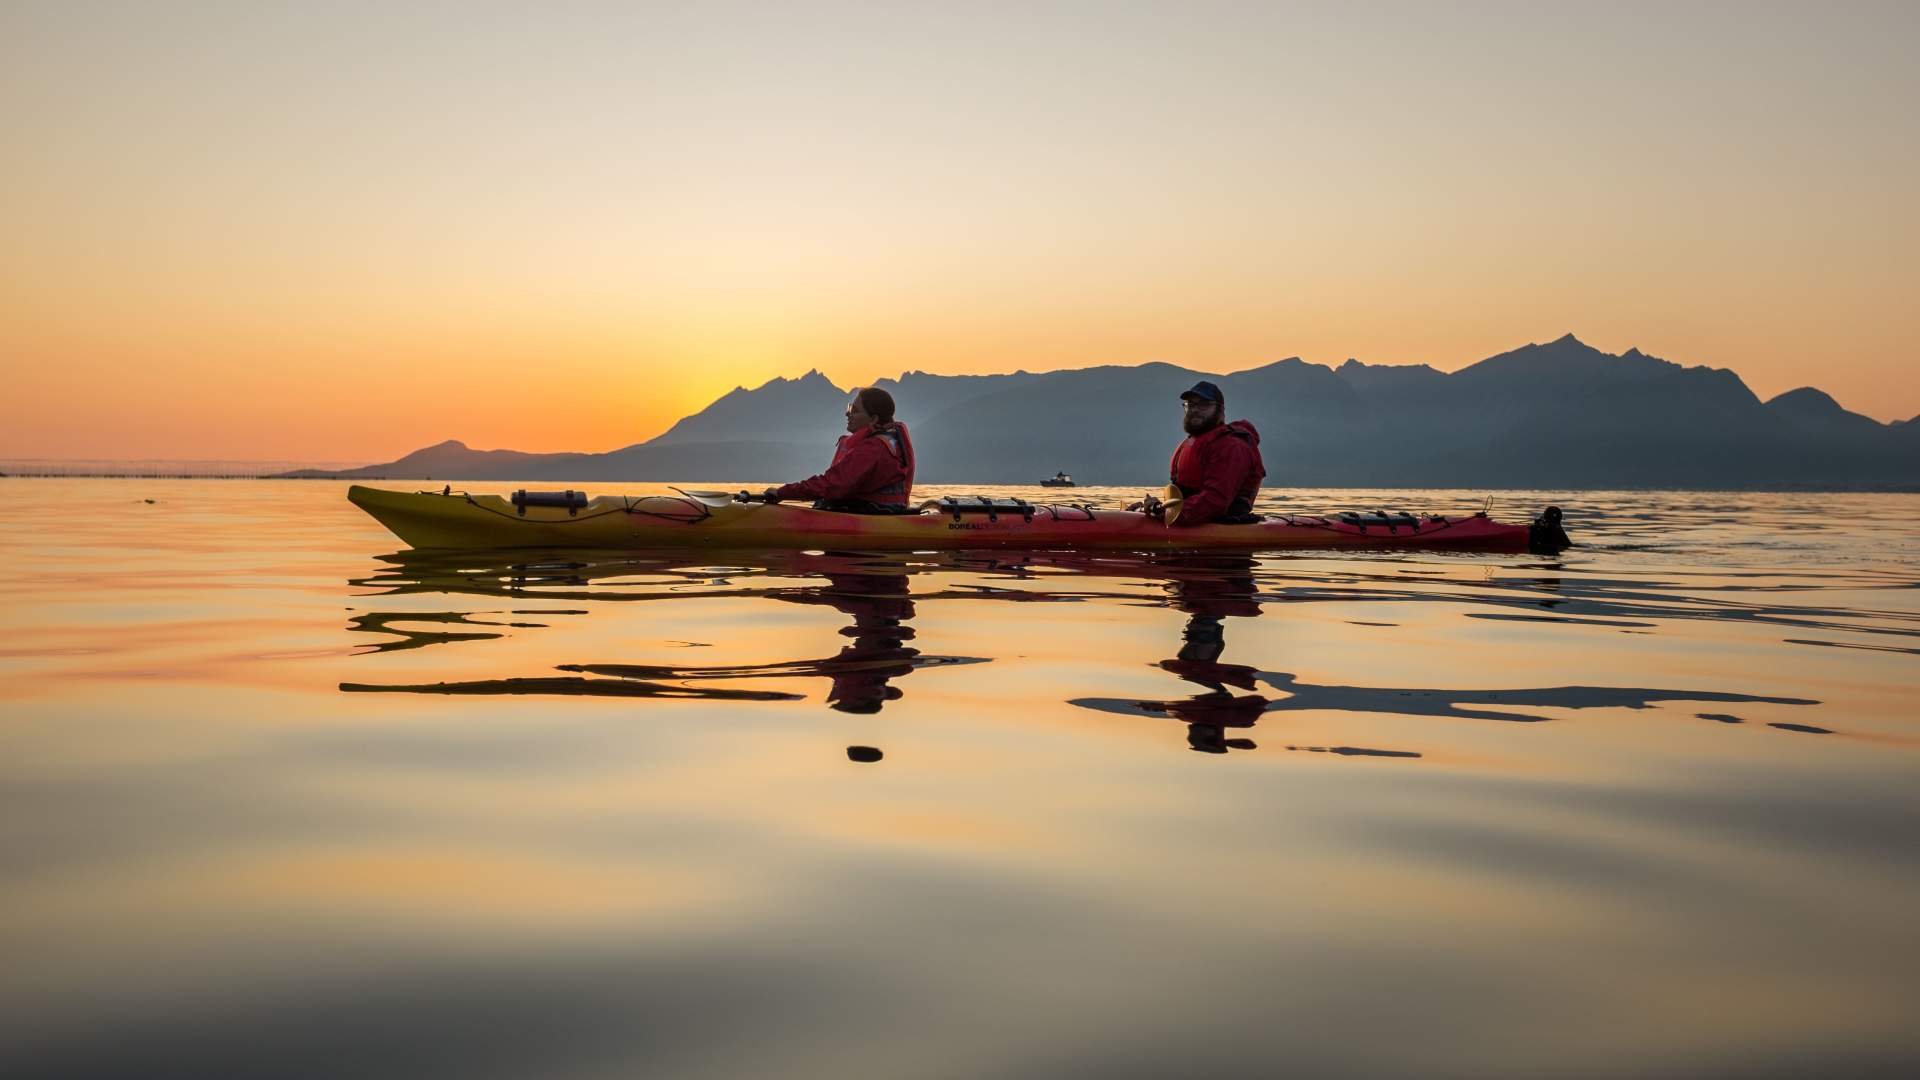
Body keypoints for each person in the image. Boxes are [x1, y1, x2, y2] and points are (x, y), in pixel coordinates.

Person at [1131, 380, 1265, 525]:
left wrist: (1164, 511)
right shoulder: (1192, 443)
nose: (1194, 409)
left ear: (1220, 410)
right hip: (1192, 518)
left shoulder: (1231, 447)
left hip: (1223, 523)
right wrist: (1154, 508)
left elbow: (1215, 500)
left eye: (1203, 405)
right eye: (1191, 405)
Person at [763, 387, 915, 512]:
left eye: (855, 411)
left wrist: (782, 492)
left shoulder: (873, 448)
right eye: (850, 408)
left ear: (874, 419)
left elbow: (833, 484)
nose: (848, 414)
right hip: (883, 511)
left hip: (875, 515)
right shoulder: (886, 442)